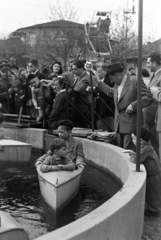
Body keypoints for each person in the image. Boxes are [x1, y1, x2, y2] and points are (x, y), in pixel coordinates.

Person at [95, 62, 152, 150]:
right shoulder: (118, 84)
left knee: (129, 152)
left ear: (117, 75)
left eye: (112, 78)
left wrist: (134, 105)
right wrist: (98, 82)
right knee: (121, 151)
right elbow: (111, 92)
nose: (111, 81)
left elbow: (147, 96)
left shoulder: (135, 80)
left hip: (131, 125)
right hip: (119, 125)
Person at [124, 127, 161, 217]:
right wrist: (133, 153)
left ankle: (155, 211)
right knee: (153, 193)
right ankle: (153, 209)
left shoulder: (145, 149)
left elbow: (136, 160)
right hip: (154, 173)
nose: (132, 141)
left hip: (153, 175)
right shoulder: (147, 147)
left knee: (153, 193)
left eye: (133, 139)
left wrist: (132, 155)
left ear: (141, 140)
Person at [143, 53, 161, 159]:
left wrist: (154, 92)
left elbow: (152, 95)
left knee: (156, 147)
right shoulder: (154, 74)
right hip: (151, 117)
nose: (147, 65)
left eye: (149, 63)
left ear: (154, 63)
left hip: (155, 118)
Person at [95, 63, 115, 131]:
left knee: (108, 126)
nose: (98, 74)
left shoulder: (110, 79)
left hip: (107, 107)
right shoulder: (100, 80)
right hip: (100, 107)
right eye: (97, 72)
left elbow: (108, 90)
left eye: (100, 72)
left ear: (105, 71)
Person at [71, 60, 91, 128]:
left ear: (82, 68)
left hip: (82, 110)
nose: (73, 71)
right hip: (77, 109)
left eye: (75, 69)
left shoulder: (85, 78)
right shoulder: (78, 76)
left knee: (83, 128)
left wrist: (65, 92)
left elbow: (77, 90)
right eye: (72, 69)